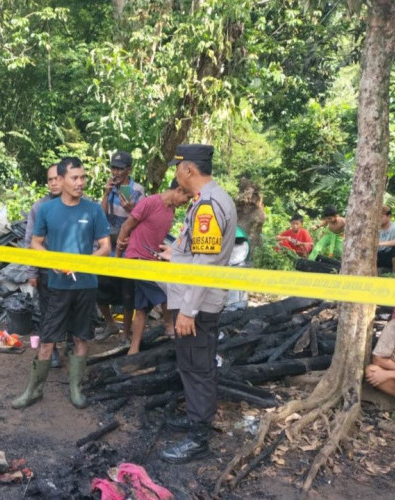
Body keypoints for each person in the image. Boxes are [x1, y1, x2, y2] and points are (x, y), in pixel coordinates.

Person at [13, 156, 111, 410]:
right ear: (62, 179)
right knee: (48, 339)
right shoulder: (46, 209)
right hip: (56, 285)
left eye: (83, 177)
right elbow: (35, 242)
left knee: (81, 337)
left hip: (86, 285)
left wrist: (83, 262)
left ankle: (76, 389)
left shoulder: (93, 210)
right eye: (75, 178)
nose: (81, 183)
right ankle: (33, 390)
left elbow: (106, 246)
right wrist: (52, 261)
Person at [159, 144, 237, 464]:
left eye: (178, 168)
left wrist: (188, 311)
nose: (175, 174)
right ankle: (195, 418)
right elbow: (197, 254)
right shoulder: (207, 201)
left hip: (198, 305)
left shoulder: (208, 205)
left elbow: (205, 264)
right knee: (193, 364)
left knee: (198, 367)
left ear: (189, 169)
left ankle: (198, 438)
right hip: (195, 299)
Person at [115, 179, 191, 354]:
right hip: (137, 259)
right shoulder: (150, 202)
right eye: (185, 198)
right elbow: (127, 226)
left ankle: (133, 350)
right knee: (167, 290)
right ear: (178, 190)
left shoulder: (171, 211)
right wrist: (118, 257)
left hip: (153, 260)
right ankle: (169, 325)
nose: (184, 203)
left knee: (141, 309)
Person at [97, 151, 145, 341]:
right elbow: (100, 218)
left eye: (119, 168)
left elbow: (143, 219)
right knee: (100, 288)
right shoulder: (111, 189)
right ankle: (110, 324)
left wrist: (131, 210)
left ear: (129, 170)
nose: (115, 172)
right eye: (113, 168)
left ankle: (125, 332)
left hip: (128, 247)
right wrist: (106, 193)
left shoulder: (137, 190)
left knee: (127, 293)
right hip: (108, 245)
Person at [24, 164, 63, 368]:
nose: (54, 183)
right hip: (47, 271)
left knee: (73, 313)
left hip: (74, 272)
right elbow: (29, 241)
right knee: (47, 312)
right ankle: (52, 350)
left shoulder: (80, 205)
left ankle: (73, 349)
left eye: (57, 178)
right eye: (50, 180)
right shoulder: (39, 207)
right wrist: (32, 271)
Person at [365, 319, 395, 400]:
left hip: (394, 372)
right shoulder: (394, 326)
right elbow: (377, 359)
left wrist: (388, 374)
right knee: (372, 371)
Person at [377, 205, 395, 274]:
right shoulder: (373, 227)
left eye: (381, 216)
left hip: (390, 256)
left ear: (389, 216)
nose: (378, 219)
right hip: (377, 256)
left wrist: (381, 243)